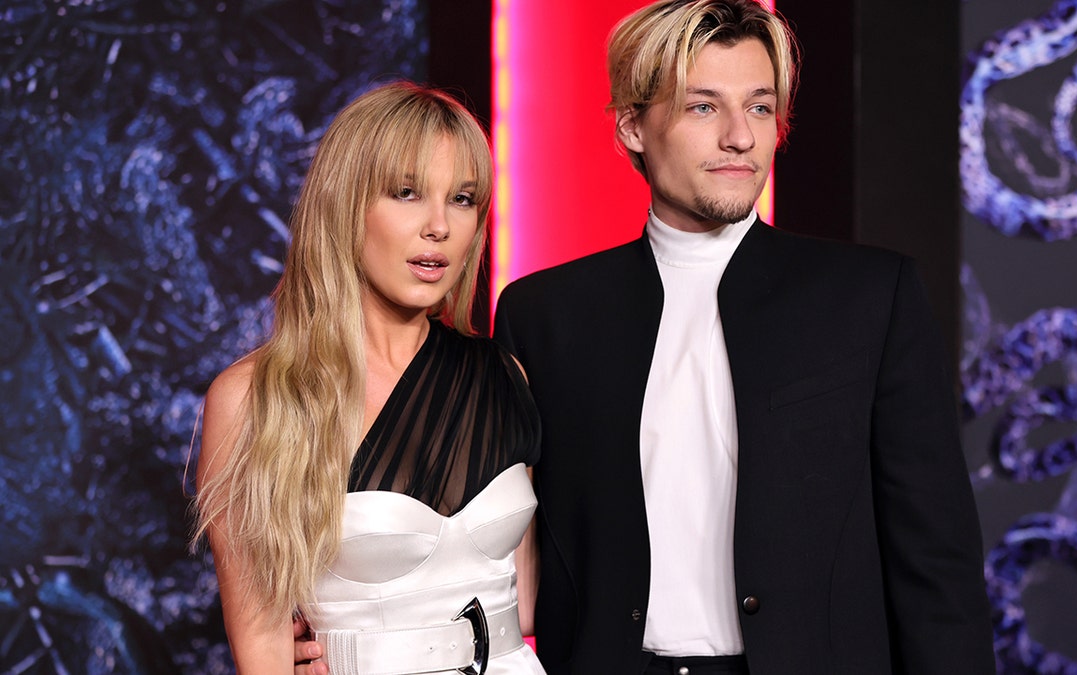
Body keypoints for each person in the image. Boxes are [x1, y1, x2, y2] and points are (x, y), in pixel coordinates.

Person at [299, 1, 995, 673]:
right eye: (703, 107)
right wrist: (341, 632)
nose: (740, 137)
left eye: (758, 105)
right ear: (633, 126)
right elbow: (484, 547)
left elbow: (936, 564)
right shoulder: (546, 315)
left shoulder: (868, 298)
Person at [195, 81, 546, 674]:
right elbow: (263, 652)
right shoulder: (257, 399)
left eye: (462, 199)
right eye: (407, 193)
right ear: (344, 205)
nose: (439, 225)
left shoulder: (502, 375)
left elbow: (532, 599)